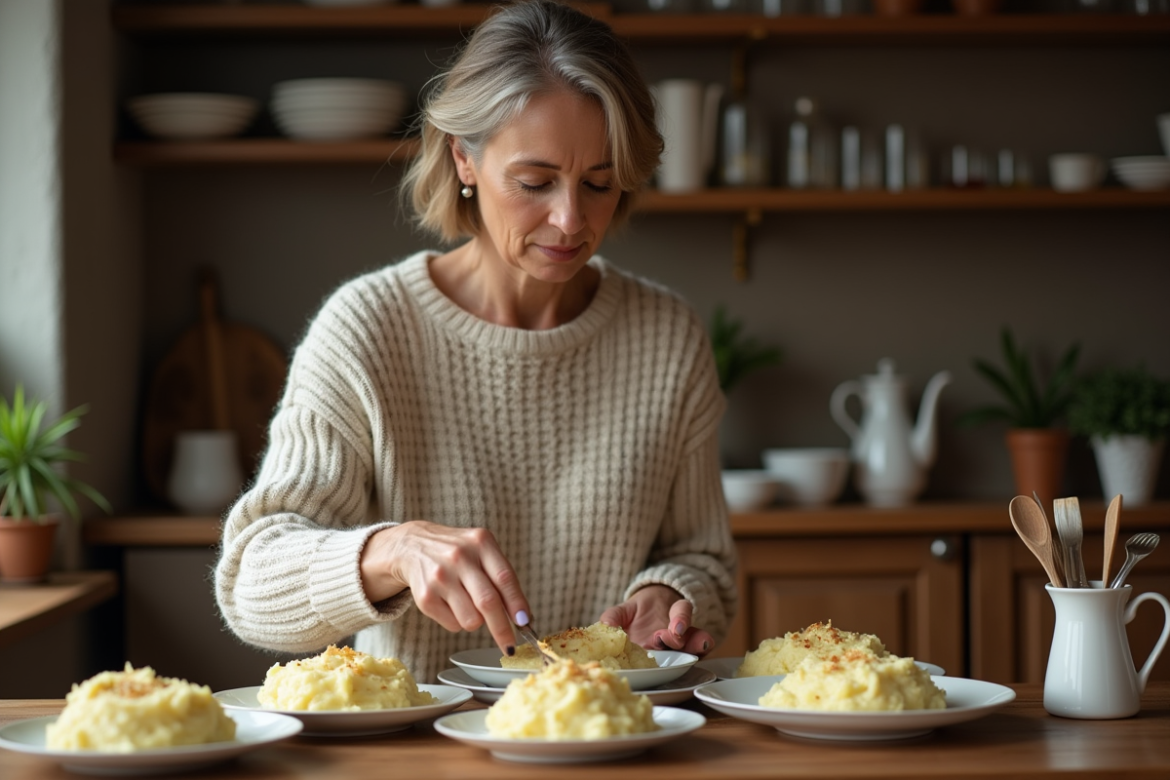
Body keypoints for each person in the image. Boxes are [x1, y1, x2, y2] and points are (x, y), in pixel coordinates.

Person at [214, 0, 737, 684]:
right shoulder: (368, 328)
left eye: (599, 183)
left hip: (617, 736)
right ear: (463, 156)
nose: (571, 218)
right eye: (535, 181)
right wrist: (392, 551)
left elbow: (706, 562)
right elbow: (252, 582)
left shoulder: (667, 337)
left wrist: (667, 597)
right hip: (424, 748)